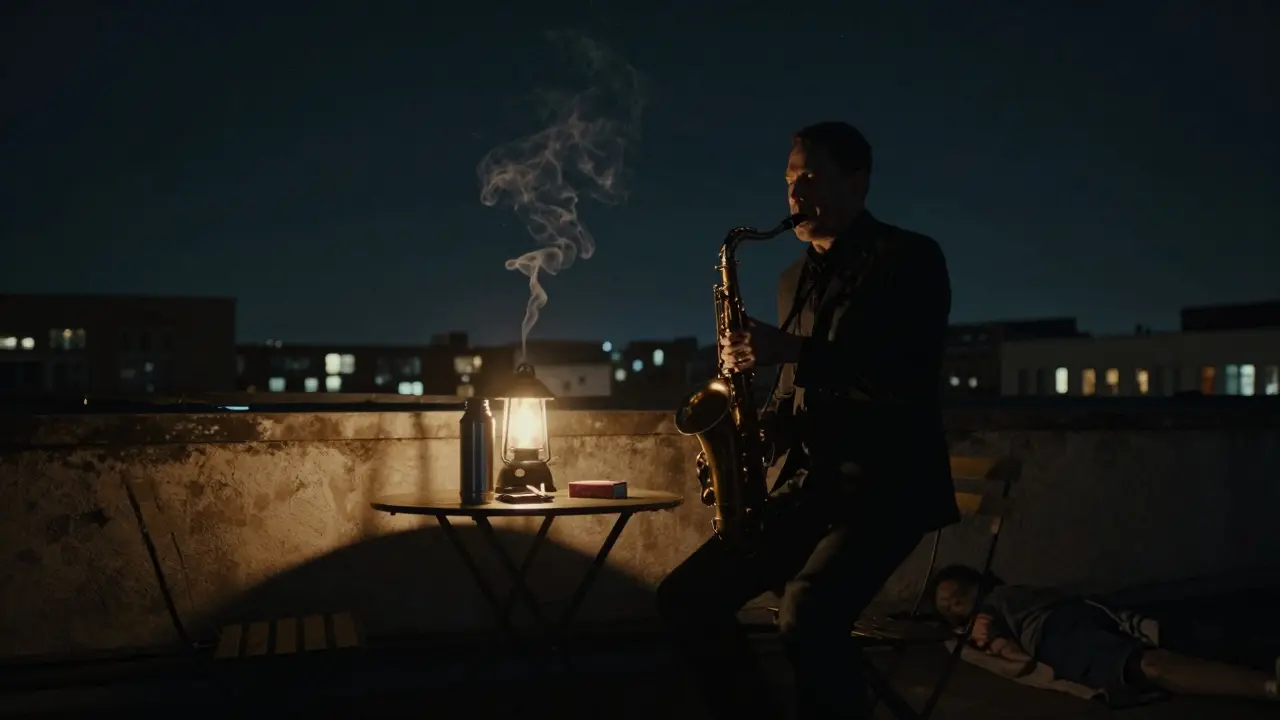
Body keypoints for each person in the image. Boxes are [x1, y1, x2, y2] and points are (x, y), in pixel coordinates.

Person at [655, 121, 959, 720]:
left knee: (809, 612)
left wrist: (790, 349)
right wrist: (765, 428)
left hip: (886, 488)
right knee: (685, 597)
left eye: (812, 177)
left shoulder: (910, 258)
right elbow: (796, 387)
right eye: (790, 178)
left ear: (858, 181)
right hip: (811, 488)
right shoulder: (792, 279)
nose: (795, 193)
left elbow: (904, 376)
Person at [932, 564, 1280, 702]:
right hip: (1075, 619)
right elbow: (1014, 656)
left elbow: (1016, 657)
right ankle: (1266, 681)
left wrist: (989, 637)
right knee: (1159, 653)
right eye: (945, 605)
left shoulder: (998, 602)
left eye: (956, 594)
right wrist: (989, 638)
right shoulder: (993, 610)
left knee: (1161, 654)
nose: (950, 602)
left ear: (976, 585)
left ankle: (1267, 680)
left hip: (1066, 623)